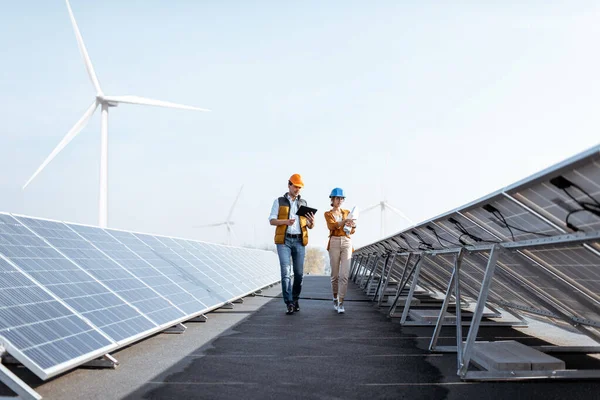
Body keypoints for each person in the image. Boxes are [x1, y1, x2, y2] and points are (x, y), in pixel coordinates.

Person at [269, 174, 315, 315]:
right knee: (286, 272)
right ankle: (288, 302)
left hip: (300, 241)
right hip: (284, 241)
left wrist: (312, 222)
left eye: (299, 187)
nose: (297, 189)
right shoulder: (279, 201)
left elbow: (309, 226)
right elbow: (271, 220)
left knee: (299, 274)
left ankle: (295, 299)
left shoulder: (304, 203)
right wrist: (285, 222)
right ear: (289, 185)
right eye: (295, 186)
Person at [324, 188, 356, 314]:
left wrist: (352, 226)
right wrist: (344, 222)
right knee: (335, 275)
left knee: (344, 275)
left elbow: (352, 231)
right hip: (334, 242)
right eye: (337, 198)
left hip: (347, 241)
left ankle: (341, 301)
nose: (339, 200)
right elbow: (332, 226)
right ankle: (335, 298)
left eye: (341, 198)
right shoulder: (328, 214)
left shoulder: (347, 212)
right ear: (332, 199)